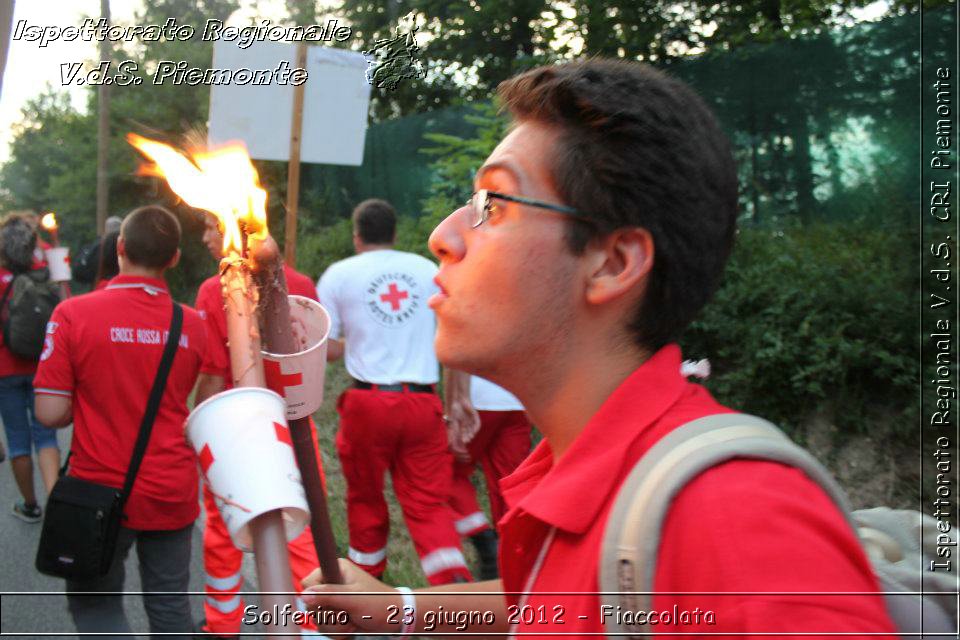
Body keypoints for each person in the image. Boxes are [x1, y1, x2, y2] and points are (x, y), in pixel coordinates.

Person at [302, 59, 898, 637]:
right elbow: (551, 599)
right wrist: (402, 611)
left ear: (611, 264)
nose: (444, 236)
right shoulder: (577, 473)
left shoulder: (738, 522)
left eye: (494, 203)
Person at [33, 205, 206, 636]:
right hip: (171, 489)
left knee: (96, 607)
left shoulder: (73, 314)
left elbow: (50, 413)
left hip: (96, 491)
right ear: (174, 258)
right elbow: (208, 408)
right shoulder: (196, 324)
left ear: (121, 248)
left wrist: (89, 395)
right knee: (170, 609)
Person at [316, 198, 471, 585]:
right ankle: (454, 591)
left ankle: (367, 592)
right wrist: (457, 403)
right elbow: (453, 339)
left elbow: (329, 350)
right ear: (395, 234)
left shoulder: (338, 274)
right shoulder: (425, 269)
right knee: (428, 504)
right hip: (423, 402)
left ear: (356, 237)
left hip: (367, 404)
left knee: (366, 499)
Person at [192, 212, 326, 637]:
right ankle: (314, 627)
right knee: (300, 525)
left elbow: (214, 373)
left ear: (232, 231)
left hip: (236, 427)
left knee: (223, 525)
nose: (205, 237)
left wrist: (202, 437)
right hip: (294, 426)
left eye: (211, 227)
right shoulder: (301, 284)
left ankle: (223, 625)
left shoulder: (216, 289)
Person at [0, 212, 60, 522]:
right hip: (41, 366)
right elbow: (65, 301)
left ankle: (30, 504)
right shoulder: (44, 270)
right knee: (46, 435)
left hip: (5, 370)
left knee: (17, 438)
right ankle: (55, 502)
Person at [444, 374, 531, 579]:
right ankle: (516, 564)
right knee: (511, 486)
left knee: (441, 471)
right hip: (518, 401)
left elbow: (458, 355)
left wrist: (451, 411)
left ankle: (485, 541)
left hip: (479, 398)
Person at [72, 215, 123, 285]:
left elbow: (79, 273)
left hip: (101, 287)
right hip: (121, 286)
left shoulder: (95, 247)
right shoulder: (128, 247)